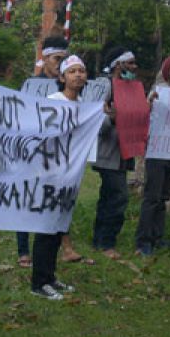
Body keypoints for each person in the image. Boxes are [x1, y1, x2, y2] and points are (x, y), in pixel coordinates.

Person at [27, 55, 91, 299]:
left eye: (82, 71)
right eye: (72, 71)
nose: (78, 75)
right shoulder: (52, 102)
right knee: (46, 227)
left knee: (59, 226)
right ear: (62, 77)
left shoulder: (85, 107)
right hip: (48, 174)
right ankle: (38, 282)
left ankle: (50, 276)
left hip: (70, 176)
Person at [17, 35, 70, 267]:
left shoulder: (67, 88)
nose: (60, 63)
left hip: (56, 154)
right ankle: (23, 250)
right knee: (27, 197)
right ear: (46, 58)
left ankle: (53, 244)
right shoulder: (30, 85)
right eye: (57, 58)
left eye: (64, 59)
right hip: (32, 150)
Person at [134, 53, 170, 256]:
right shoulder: (158, 93)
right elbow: (144, 115)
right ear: (167, 74)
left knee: (164, 196)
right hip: (157, 152)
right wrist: (150, 102)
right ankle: (143, 241)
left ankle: (157, 237)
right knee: (152, 197)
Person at [89, 48, 138, 258]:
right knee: (118, 196)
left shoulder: (131, 88)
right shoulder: (105, 86)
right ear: (119, 65)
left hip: (124, 153)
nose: (135, 68)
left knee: (109, 196)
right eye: (131, 63)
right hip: (109, 152)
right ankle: (106, 242)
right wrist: (112, 119)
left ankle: (100, 239)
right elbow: (93, 119)